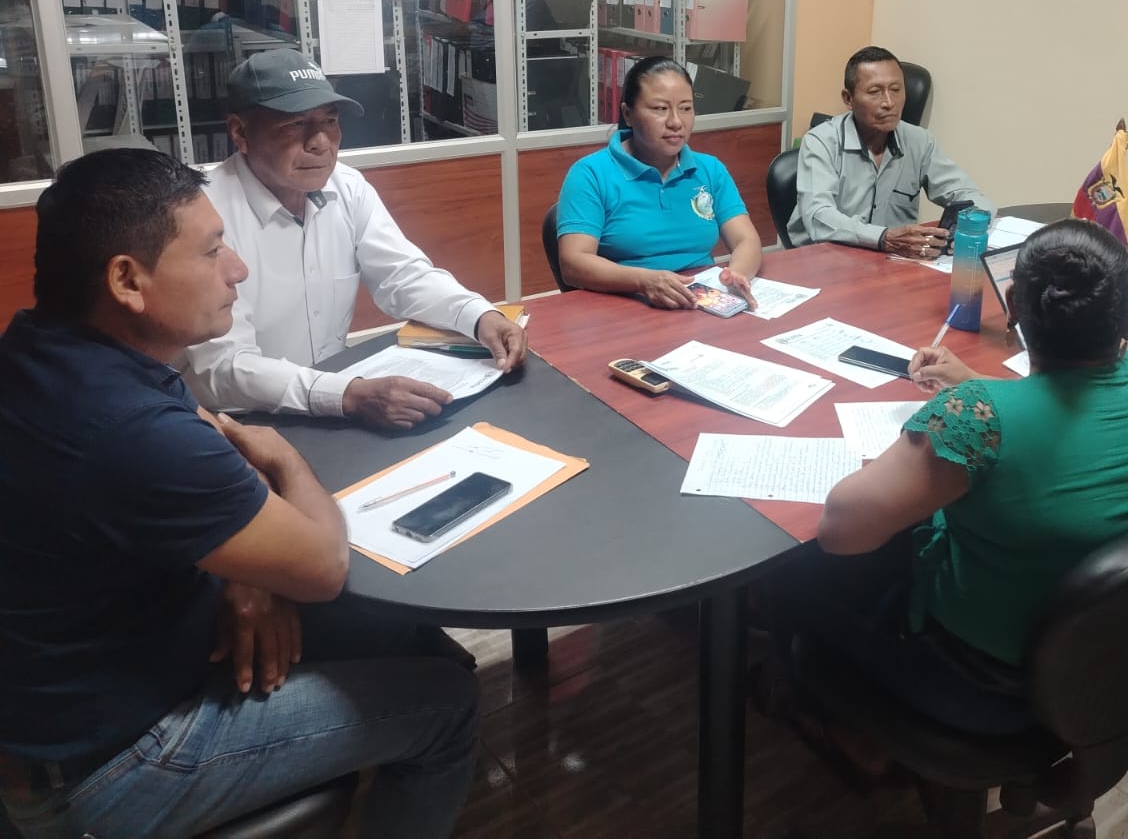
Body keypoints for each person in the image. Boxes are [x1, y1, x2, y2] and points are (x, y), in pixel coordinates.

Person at [0, 149, 479, 839]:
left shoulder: (48, 348)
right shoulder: (128, 427)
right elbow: (322, 564)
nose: (238, 270)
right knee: (448, 702)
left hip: (97, 675)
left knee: (411, 637)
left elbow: (216, 448)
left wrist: (247, 576)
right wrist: (285, 458)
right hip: (104, 768)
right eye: (211, 251)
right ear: (127, 280)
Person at [769, 220, 1128, 739]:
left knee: (794, 573)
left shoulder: (976, 418)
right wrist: (974, 382)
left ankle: (827, 719)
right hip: (1102, 657)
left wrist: (967, 401)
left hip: (979, 677)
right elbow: (1072, 404)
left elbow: (840, 531)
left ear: (1011, 305)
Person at [183, 49, 526, 429]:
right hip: (240, 423)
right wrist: (346, 395)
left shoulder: (346, 187)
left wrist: (479, 316)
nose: (320, 142)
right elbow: (223, 367)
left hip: (335, 402)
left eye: (330, 121)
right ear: (240, 133)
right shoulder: (200, 216)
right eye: (295, 124)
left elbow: (403, 276)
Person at [557, 56, 762, 308]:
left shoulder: (710, 170)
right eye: (660, 109)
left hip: (700, 303)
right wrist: (644, 281)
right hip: (625, 305)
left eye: (685, 108)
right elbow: (573, 263)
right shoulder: (591, 174)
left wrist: (736, 275)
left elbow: (746, 240)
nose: (676, 122)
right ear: (628, 114)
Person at [788, 45, 992, 257]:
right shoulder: (821, 141)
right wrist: (884, 238)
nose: (889, 102)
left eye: (896, 90)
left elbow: (969, 195)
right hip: (824, 257)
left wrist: (969, 226)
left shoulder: (920, 141)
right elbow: (818, 217)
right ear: (848, 99)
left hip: (892, 259)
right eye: (875, 92)